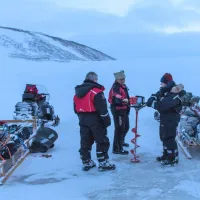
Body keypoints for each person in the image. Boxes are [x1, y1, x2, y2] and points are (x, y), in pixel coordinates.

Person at [73, 72, 116, 172]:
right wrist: (107, 121)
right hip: (95, 118)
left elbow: (75, 108)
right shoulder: (96, 92)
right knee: (101, 139)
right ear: (94, 79)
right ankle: (103, 162)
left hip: (82, 118)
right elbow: (102, 109)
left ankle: (86, 161)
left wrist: (81, 116)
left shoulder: (77, 93)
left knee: (85, 140)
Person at [147, 73, 185, 166]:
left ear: (167, 83)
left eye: (162, 83)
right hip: (165, 118)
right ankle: (166, 154)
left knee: (169, 137)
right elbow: (158, 94)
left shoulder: (174, 94)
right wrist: (153, 97)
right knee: (163, 137)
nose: (161, 85)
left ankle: (173, 157)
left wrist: (152, 104)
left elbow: (163, 106)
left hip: (171, 118)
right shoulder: (166, 91)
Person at [108, 70, 130, 155]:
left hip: (124, 109)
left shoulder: (123, 86)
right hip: (118, 110)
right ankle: (117, 148)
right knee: (119, 129)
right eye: (121, 79)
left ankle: (121, 141)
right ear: (116, 79)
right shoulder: (115, 87)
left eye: (123, 78)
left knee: (126, 127)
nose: (123, 80)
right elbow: (117, 97)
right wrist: (124, 100)